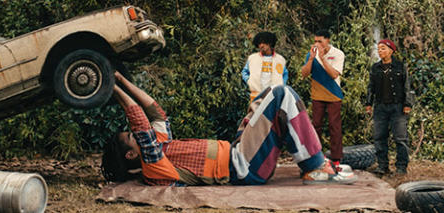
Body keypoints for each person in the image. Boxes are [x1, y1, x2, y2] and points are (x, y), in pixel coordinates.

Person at [101, 71, 356, 186]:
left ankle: (314, 159)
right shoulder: (154, 168)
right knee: (281, 95)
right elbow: (140, 123)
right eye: (131, 137)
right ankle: (315, 168)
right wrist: (110, 88)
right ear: (132, 155)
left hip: (237, 151)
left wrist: (120, 80)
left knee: (266, 95)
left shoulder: (161, 144)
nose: (138, 134)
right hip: (241, 168)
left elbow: (154, 112)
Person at [365, 39, 415, 175]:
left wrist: (407, 104)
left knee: (400, 138)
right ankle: (382, 166)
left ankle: (401, 167)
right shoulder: (375, 68)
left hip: (397, 107)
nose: (380, 51)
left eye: (383, 48)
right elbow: (371, 87)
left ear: (391, 51)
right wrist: (368, 103)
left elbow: (407, 86)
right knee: (379, 137)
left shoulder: (400, 66)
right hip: (380, 107)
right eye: (379, 49)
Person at [299, 29, 346, 171]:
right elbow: (304, 74)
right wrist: (312, 58)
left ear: (328, 40)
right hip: (317, 95)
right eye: (315, 41)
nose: (317, 44)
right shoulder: (311, 54)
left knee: (334, 127)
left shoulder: (338, 54)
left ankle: (336, 159)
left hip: (333, 94)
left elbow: (333, 74)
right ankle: (316, 158)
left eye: (320, 41)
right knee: (316, 126)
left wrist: (323, 58)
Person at [241, 31, 288, 102]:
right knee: (256, 113)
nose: (261, 45)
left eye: (264, 42)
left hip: (274, 96)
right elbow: (244, 72)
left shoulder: (280, 59)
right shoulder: (252, 58)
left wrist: (282, 85)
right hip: (256, 96)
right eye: (259, 43)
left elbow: (285, 74)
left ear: (270, 43)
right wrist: (249, 81)